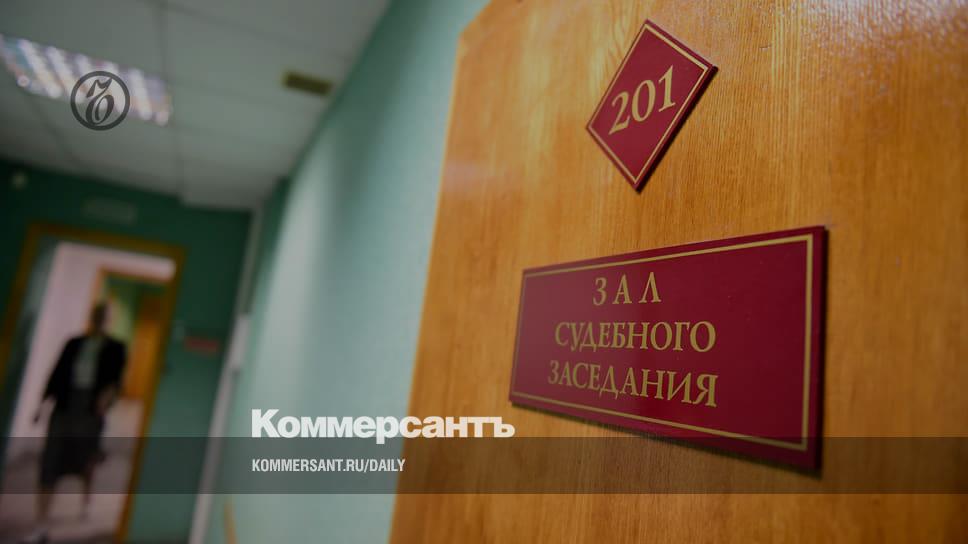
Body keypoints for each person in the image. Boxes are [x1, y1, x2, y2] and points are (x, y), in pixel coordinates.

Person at [23, 303, 126, 543]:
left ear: (111, 320)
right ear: (92, 317)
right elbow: (56, 374)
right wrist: (42, 404)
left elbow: (117, 381)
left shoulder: (116, 348)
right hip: (65, 406)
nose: (100, 319)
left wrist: (107, 397)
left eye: (105, 316)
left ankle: (86, 502)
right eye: (97, 315)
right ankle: (41, 524)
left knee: (86, 461)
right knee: (50, 461)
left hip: (91, 411)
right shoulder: (74, 343)